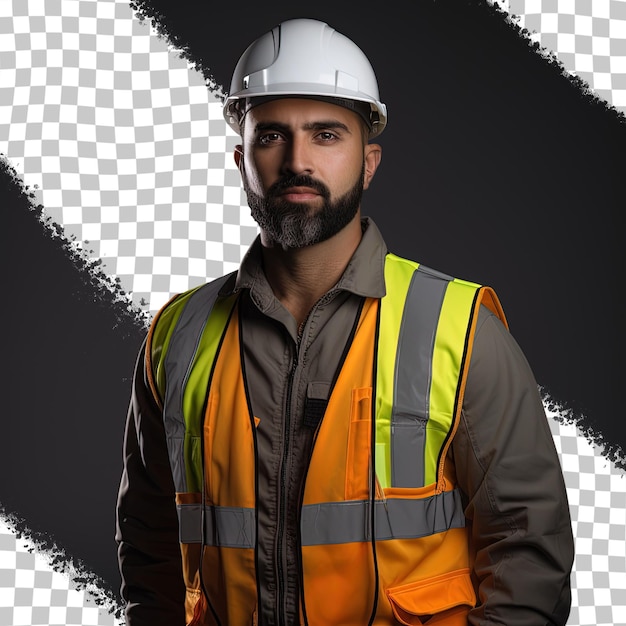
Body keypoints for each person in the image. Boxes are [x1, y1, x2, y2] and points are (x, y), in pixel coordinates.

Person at [116, 17, 575, 626]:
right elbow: (150, 551)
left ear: (369, 161)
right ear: (241, 158)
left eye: (327, 134)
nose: (297, 160)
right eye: (272, 135)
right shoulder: (177, 336)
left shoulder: (460, 331)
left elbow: (530, 557)